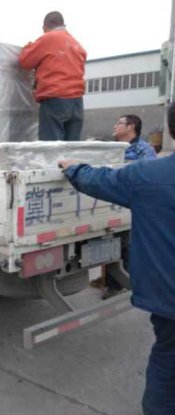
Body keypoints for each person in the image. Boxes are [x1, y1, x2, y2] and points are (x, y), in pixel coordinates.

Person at [58, 102, 175, 415]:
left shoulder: (149, 173)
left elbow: (100, 181)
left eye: (120, 122)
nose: (115, 126)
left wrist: (73, 167)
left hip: (168, 297)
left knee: (168, 360)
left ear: (170, 129)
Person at [98, 114, 156, 299]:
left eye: (119, 123)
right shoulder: (111, 149)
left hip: (131, 204)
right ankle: (111, 281)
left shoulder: (144, 150)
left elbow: (146, 175)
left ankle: (122, 283)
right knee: (109, 241)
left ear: (131, 127)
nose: (114, 126)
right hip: (109, 203)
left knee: (127, 245)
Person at [19, 11, 87, 141]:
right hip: (77, 103)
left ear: (44, 27)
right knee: (72, 148)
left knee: (51, 148)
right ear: (63, 24)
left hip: (55, 99)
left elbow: (25, 61)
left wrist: (29, 46)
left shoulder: (48, 39)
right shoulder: (75, 43)